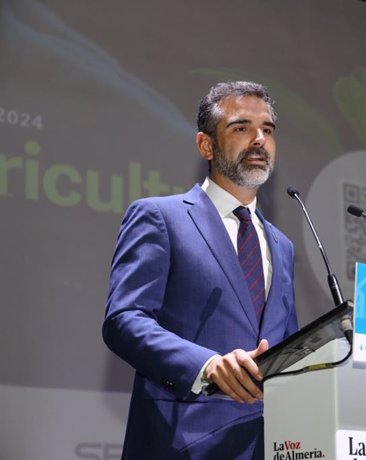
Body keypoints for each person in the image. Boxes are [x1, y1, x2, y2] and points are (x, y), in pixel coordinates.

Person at [103, 80, 298, 459]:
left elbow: (287, 350)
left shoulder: (282, 245)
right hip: (182, 441)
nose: (259, 139)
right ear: (206, 145)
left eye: (268, 130)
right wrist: (206, 365)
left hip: (270, 445)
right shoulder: (161, 217)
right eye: (241, 127)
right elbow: (124, 320)